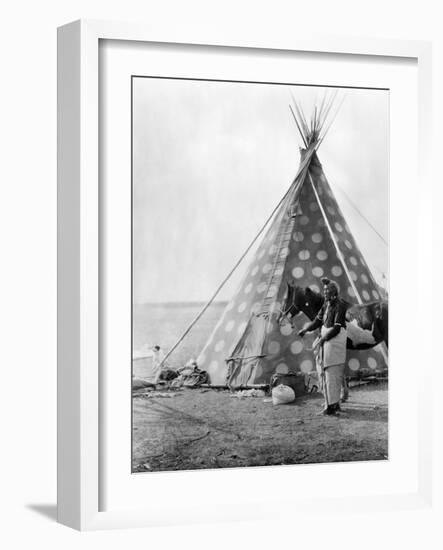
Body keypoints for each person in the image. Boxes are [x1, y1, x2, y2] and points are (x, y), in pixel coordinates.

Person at [298, 277, 348, 415]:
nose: (325, 293)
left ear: (334, 292)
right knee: (324, 373)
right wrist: (306, 330)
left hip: (335, 342)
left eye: (328, 291)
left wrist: (323, 339)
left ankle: (333, 407)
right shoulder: (326, 305)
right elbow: (318, 321)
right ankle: (330, 404)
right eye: (324, 291)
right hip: (327, 341)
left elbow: (337, 328)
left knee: (333, 374)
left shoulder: (340, 305)